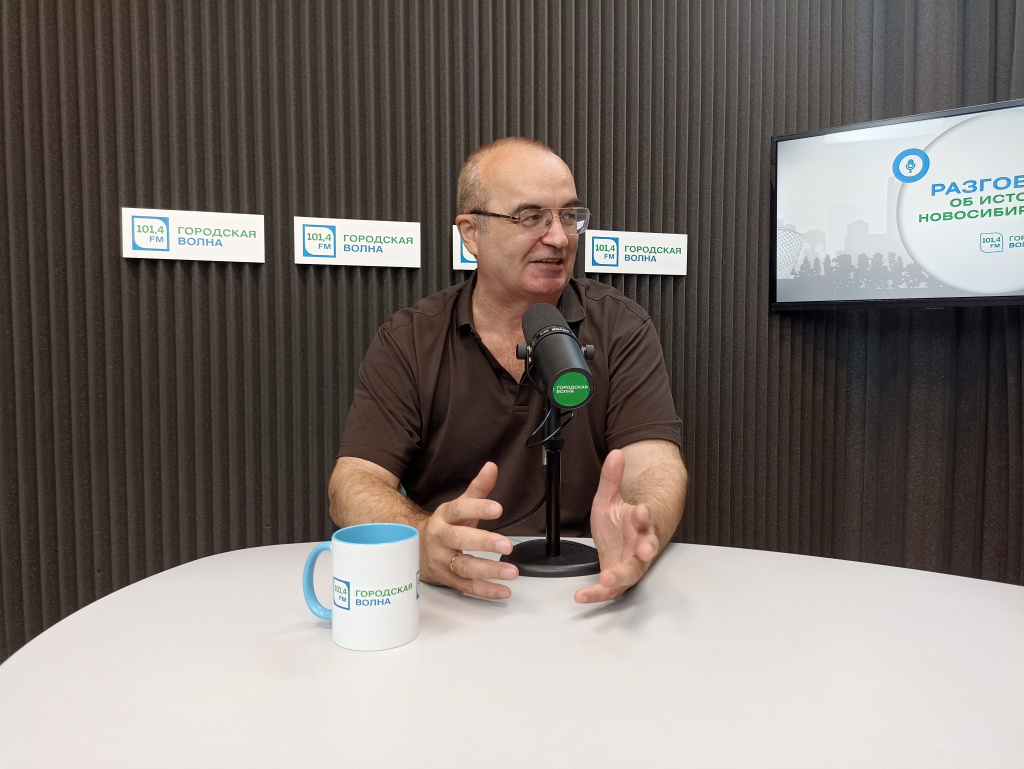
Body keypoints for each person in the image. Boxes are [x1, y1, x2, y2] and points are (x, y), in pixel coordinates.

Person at [329, 137, 687, 604]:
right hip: (455, 592)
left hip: (586, 588)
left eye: (569, 216)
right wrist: (421, 539)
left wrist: (640, 526)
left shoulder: (621, 326)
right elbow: (353, 482)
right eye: (530, 217)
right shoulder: (410, 339)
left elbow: (656, 465)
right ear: (471, 233)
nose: (559, 237)